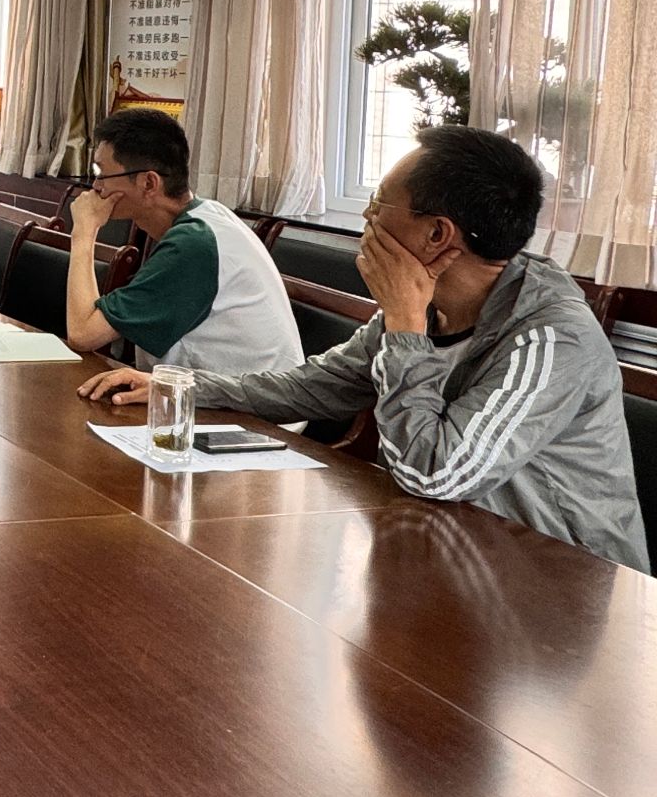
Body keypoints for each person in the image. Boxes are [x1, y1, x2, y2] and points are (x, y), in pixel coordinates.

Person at [81, 125, 649, 573]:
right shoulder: (425, 301)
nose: (366, 221)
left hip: (558, 583)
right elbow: (314, 387)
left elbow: (435, 475)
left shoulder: (550, 336)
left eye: (378, 206)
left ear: (437, 234)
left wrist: (403, 325)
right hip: (449, 553)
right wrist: (184, 385)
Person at [64, 108, 302, 376]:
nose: (95, 186)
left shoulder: (194, 243)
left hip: (246, 401)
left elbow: (83, 333)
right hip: (211, 392)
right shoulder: (206, 216)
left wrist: (84, 232)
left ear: (149, 183)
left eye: (102, 174)